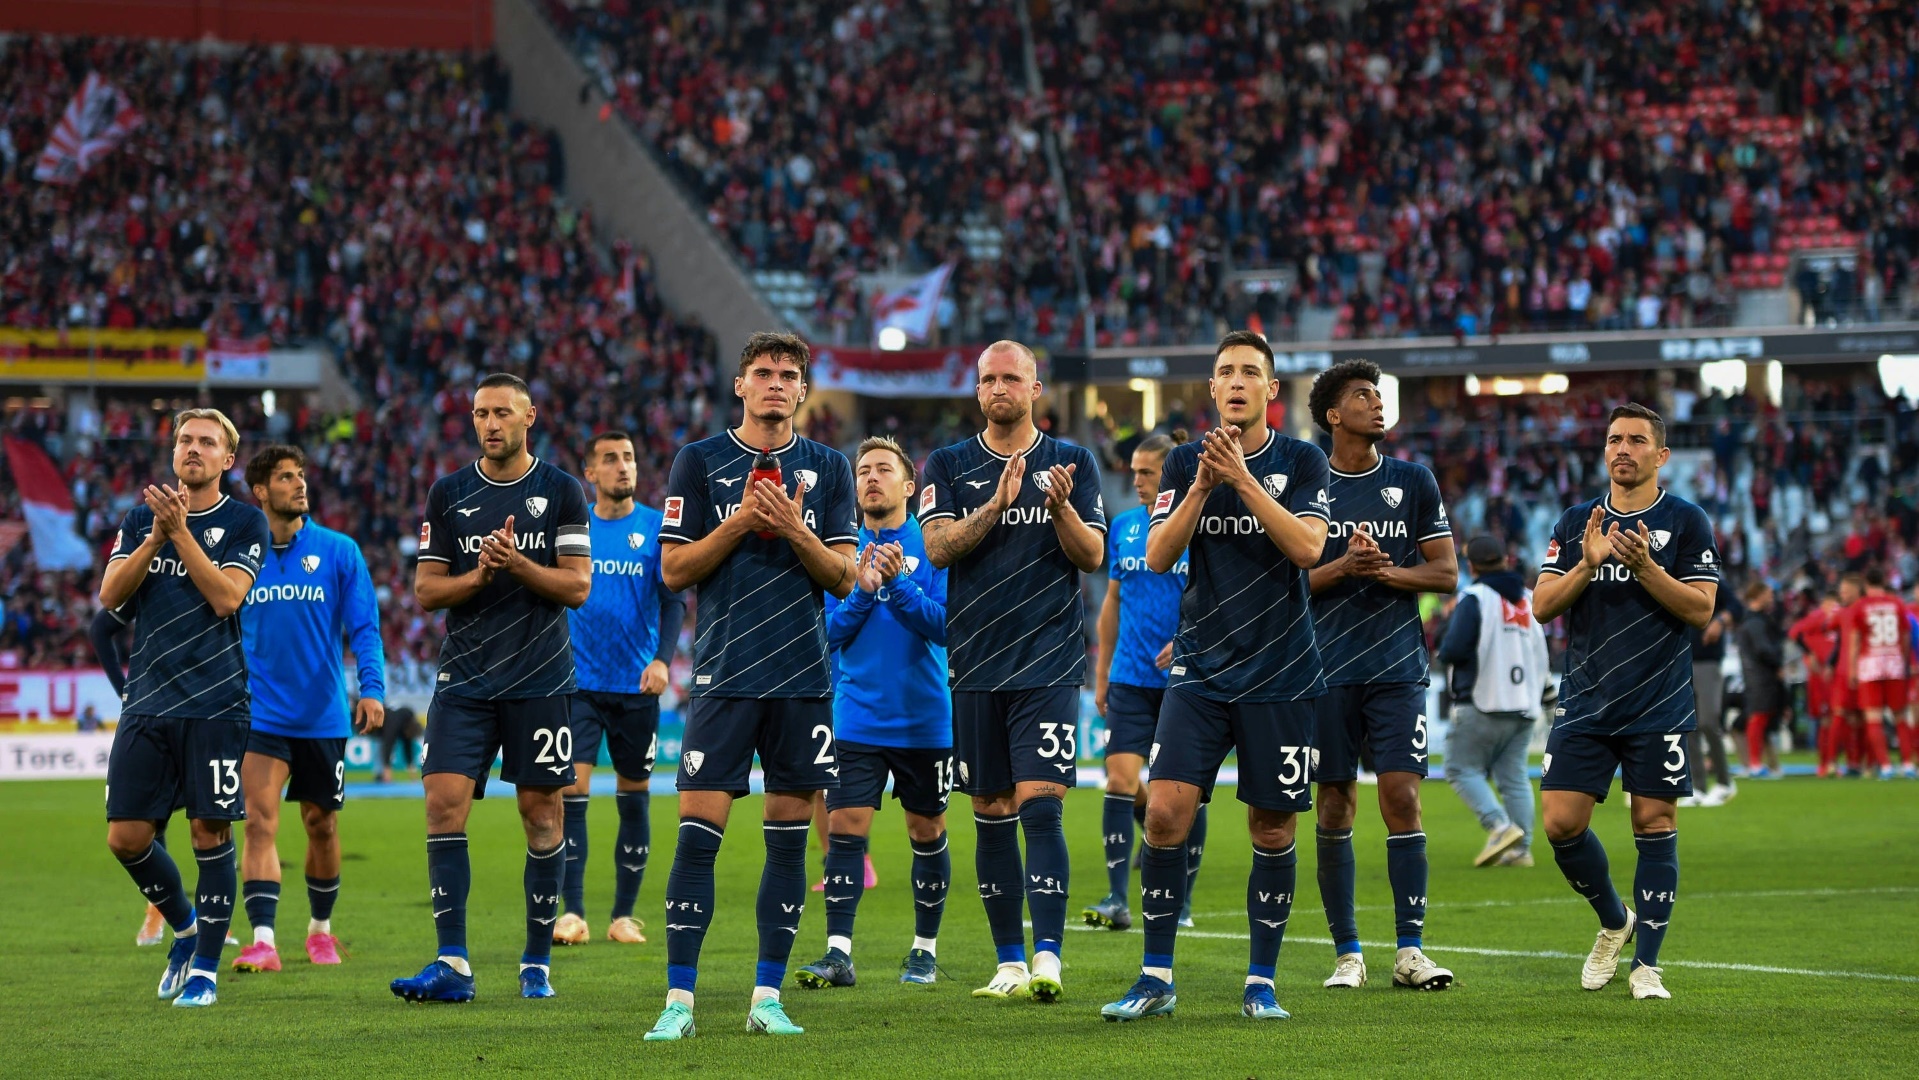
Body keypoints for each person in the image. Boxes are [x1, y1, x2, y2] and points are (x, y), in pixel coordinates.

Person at [1100, 330, 1331, 1023]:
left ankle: (1260, 980)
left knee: (1271, 829)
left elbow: (1307, 549)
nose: (1235, 381)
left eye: (1249, 372)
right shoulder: (1179, 461)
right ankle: (1154, 975)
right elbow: (1162, 554)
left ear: (1270, 391)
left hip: (1281, 670)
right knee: (1166, 812)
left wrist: (1243, 481)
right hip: (1200, 668)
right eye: (1224, 372)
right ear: (1210, 390)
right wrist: (1203, 482)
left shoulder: (1302, 460)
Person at [645, 332, 858, 1040]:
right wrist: (740, 519)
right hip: (724, 677)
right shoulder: (699, 462)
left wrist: (794, 529)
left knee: (788, 847)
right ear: (739, 385)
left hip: (801, 680)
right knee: (697, 839)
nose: (774, 384)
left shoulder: (828, 467)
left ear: (802, 391)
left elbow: (841, 577)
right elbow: (674, 572)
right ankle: (678, 1003)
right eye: (762, 373)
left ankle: (766, 997)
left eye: (788, 375)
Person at [389, 373, 593, 1004]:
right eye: (480, 413)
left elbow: (577, 586)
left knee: (541, 815)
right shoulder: (448, 494)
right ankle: (452, 962)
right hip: (465, 680)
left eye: (502, 412)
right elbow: (426, 591)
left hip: (540, 678)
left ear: (528, 417)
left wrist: (519, 565)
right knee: (442, 803)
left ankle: (536, 962)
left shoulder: (560, 489)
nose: (489, 423)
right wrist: (480, 574)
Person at [918, 340, 1106, 1003]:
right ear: (977, 392)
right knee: (990, 810)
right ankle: (1008, 961)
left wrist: (1058, 509)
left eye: (1011, 378)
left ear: (1035, 388)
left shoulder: (1073, 462)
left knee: (1040, 806)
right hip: (973, 663)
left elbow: (1091, 556)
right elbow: (937, 550)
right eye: (988, 379)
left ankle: (1049, 956)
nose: (999, 388)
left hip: (1048, 661)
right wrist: (995, 506)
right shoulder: (947, 463)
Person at [1532, 402, 1720, 1002]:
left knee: (1654, 821)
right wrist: (1587, 565)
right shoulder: (1575, 520)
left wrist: (1646, 568)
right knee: (1561, 825)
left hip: (1658, 702)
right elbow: (1542, 606)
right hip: (1586, 701)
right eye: (1615, 438)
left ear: (1660, 456)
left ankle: (1647, 966)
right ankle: (1615, 920)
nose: (1623, 448)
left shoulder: (1688, 523)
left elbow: (1701, 610)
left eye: (1638, 440)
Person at [98, 408, 271, 1008]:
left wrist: (180, 535)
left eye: (206, 443)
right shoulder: (142, 517)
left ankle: (204, 971)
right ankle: (188, 926)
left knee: (209, 830)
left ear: (228, 459)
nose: (192, 449)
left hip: (215, 703)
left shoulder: (247, 522)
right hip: (146, 700)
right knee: (125, 837)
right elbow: (111, 596)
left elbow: (226, 598)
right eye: (185, 440)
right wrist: (154, 535)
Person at [1305, 358, 1459, 992]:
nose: (1377, 402)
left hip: (1397, 669)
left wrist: (1383, 571)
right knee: (1334, 803)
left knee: (1403, 797)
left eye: (1379, 392)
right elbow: (1286, 583)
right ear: (1334, 415)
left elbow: (1445, 574)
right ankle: (1347, 952)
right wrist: (1343, 567)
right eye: (1363, 395)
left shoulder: (1413, 480)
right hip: (1322, 671)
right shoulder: (1303, 484)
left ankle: (1411, 951)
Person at [795, 436, 953, 989]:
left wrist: (900, 585)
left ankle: (924, 950)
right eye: (863, 470)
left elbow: (946, 626)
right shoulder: (840, 547)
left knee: (926, 830)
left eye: (883, 469)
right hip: (856, 717)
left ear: (909, 486)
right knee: (844, 829)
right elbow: (826, 634)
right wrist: (862, 590)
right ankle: (839, 953)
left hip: (925, 718)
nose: (870, 478)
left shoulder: (934, 544)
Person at [231, 445, 387, 975]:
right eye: (285, 478)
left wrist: (372, 688)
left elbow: (364, 626)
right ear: (259, 492)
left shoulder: (339, 550)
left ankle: (320, 929)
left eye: (301, 475)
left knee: (321, 825)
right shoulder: (238, 555)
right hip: (260, 716)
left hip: (322, 715)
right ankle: (263, 940)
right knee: (258, 823)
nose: (299, 485)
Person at [552, 431, 688, 947]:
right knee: (572, 795)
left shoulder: (655, 529)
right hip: (579, 685)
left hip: (637, 687)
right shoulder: (573, 528)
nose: (622, 466)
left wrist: (662, 659)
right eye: (610, 459)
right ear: (590, 473)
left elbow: (673, 600)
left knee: (634, 798)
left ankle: (624, 916)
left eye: (628, 457)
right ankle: (573, 913)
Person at [1085, 430, 1195, 933]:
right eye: (1134, 472)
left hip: (1184, 680)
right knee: (1120, 782)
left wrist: (1192, 641)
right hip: (1129, 677)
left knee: (1183, 790)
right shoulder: (1124, 526)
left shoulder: (1196, 528)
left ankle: (1184, 900)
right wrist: (1102, 673)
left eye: (1147, 472)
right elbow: (1111, 603)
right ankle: (1115, 898)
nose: (1137, 480)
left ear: (1172, 475)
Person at [1438, 536, 1551, 868]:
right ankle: (1522, 849)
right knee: (1513, 777)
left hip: (1482, 699)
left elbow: (1454, 649)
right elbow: (1540, 655)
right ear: (1506, 560)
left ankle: (1499, 826)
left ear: (1471, 565)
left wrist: (1443, 649)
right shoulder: (1530, 600)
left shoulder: (1474, 597)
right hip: (1524, 704)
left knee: (1460, 768)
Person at [1841, 566, 1905, 779]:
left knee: (1873, 719)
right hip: (1894, 663)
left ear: (1865, 585)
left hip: (1870, 665)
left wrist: (1852, 670)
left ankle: (1886, 767)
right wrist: (1901, 659)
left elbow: (1855, 641)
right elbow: (1905, 636)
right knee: (1900, 717)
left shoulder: (1860, 606)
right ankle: (1908, 765)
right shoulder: (1897, 604)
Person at [1686, 587, 1738, 799]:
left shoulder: (1711, 576)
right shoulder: (1671, 573)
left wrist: (1720, 621)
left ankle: (1725, 781)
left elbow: (1737, 607)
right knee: (1688, 727)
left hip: (1707, 660)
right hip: (1680, 661)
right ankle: (1697, 787)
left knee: (1708, 721)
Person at [1788, 593, 1845, 777]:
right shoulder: (1818, 617)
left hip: (1836, 673)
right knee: (1828, 718)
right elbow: (1795, 633)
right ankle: (1826, 763)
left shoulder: (1836, 616)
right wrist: (1810, 654)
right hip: (1821, 675)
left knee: (1837, 718)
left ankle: (1834, 763)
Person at [1735, 580, 1787, 778]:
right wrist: (1777, 663)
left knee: (1760, 718)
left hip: (1757, 675)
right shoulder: (1756, 623)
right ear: (1758, 596)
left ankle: (1758, 763)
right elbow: (1763, 649)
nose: (1772, 598)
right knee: (1757, 718)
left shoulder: (1752, 621)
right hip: (1761, 676)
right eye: (1769, 594)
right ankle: (1755, 763)